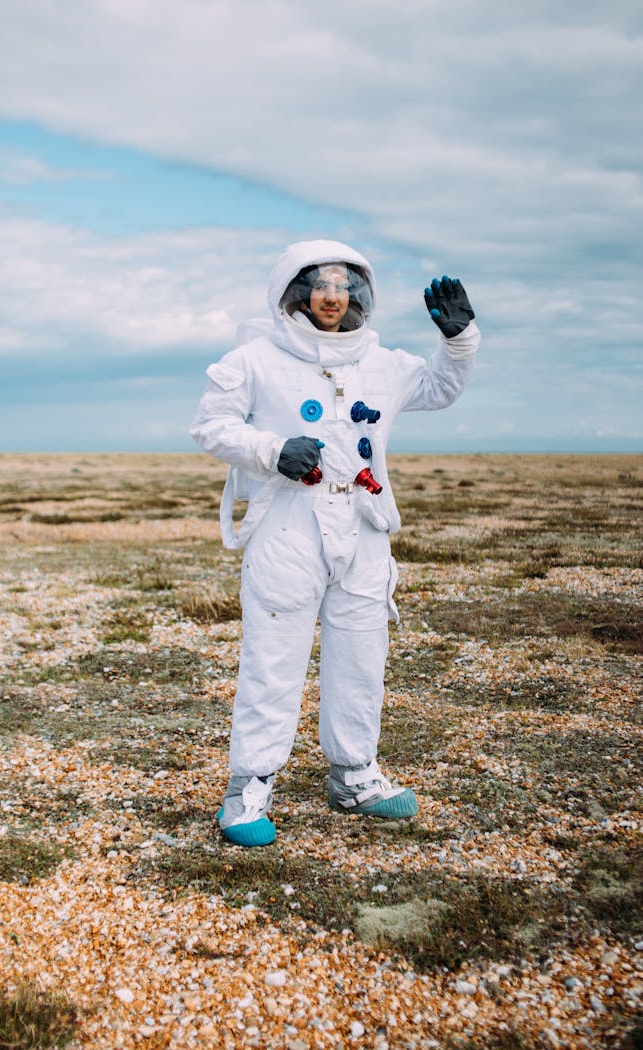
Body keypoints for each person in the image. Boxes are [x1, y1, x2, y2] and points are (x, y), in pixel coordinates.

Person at [190, 239, 479, 847]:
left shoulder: (381, 362)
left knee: (360, 655)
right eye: (318, 282)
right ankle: (250, 787)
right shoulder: (256, 359)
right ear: (293, 289)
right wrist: (271, 451)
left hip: (364, 527)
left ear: (359, 293)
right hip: (288, 529)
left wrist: (459, 342)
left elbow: (438, 388)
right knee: (273, 657)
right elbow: (211, 425)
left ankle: (354, 774)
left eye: (343, 283)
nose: (331, 294)